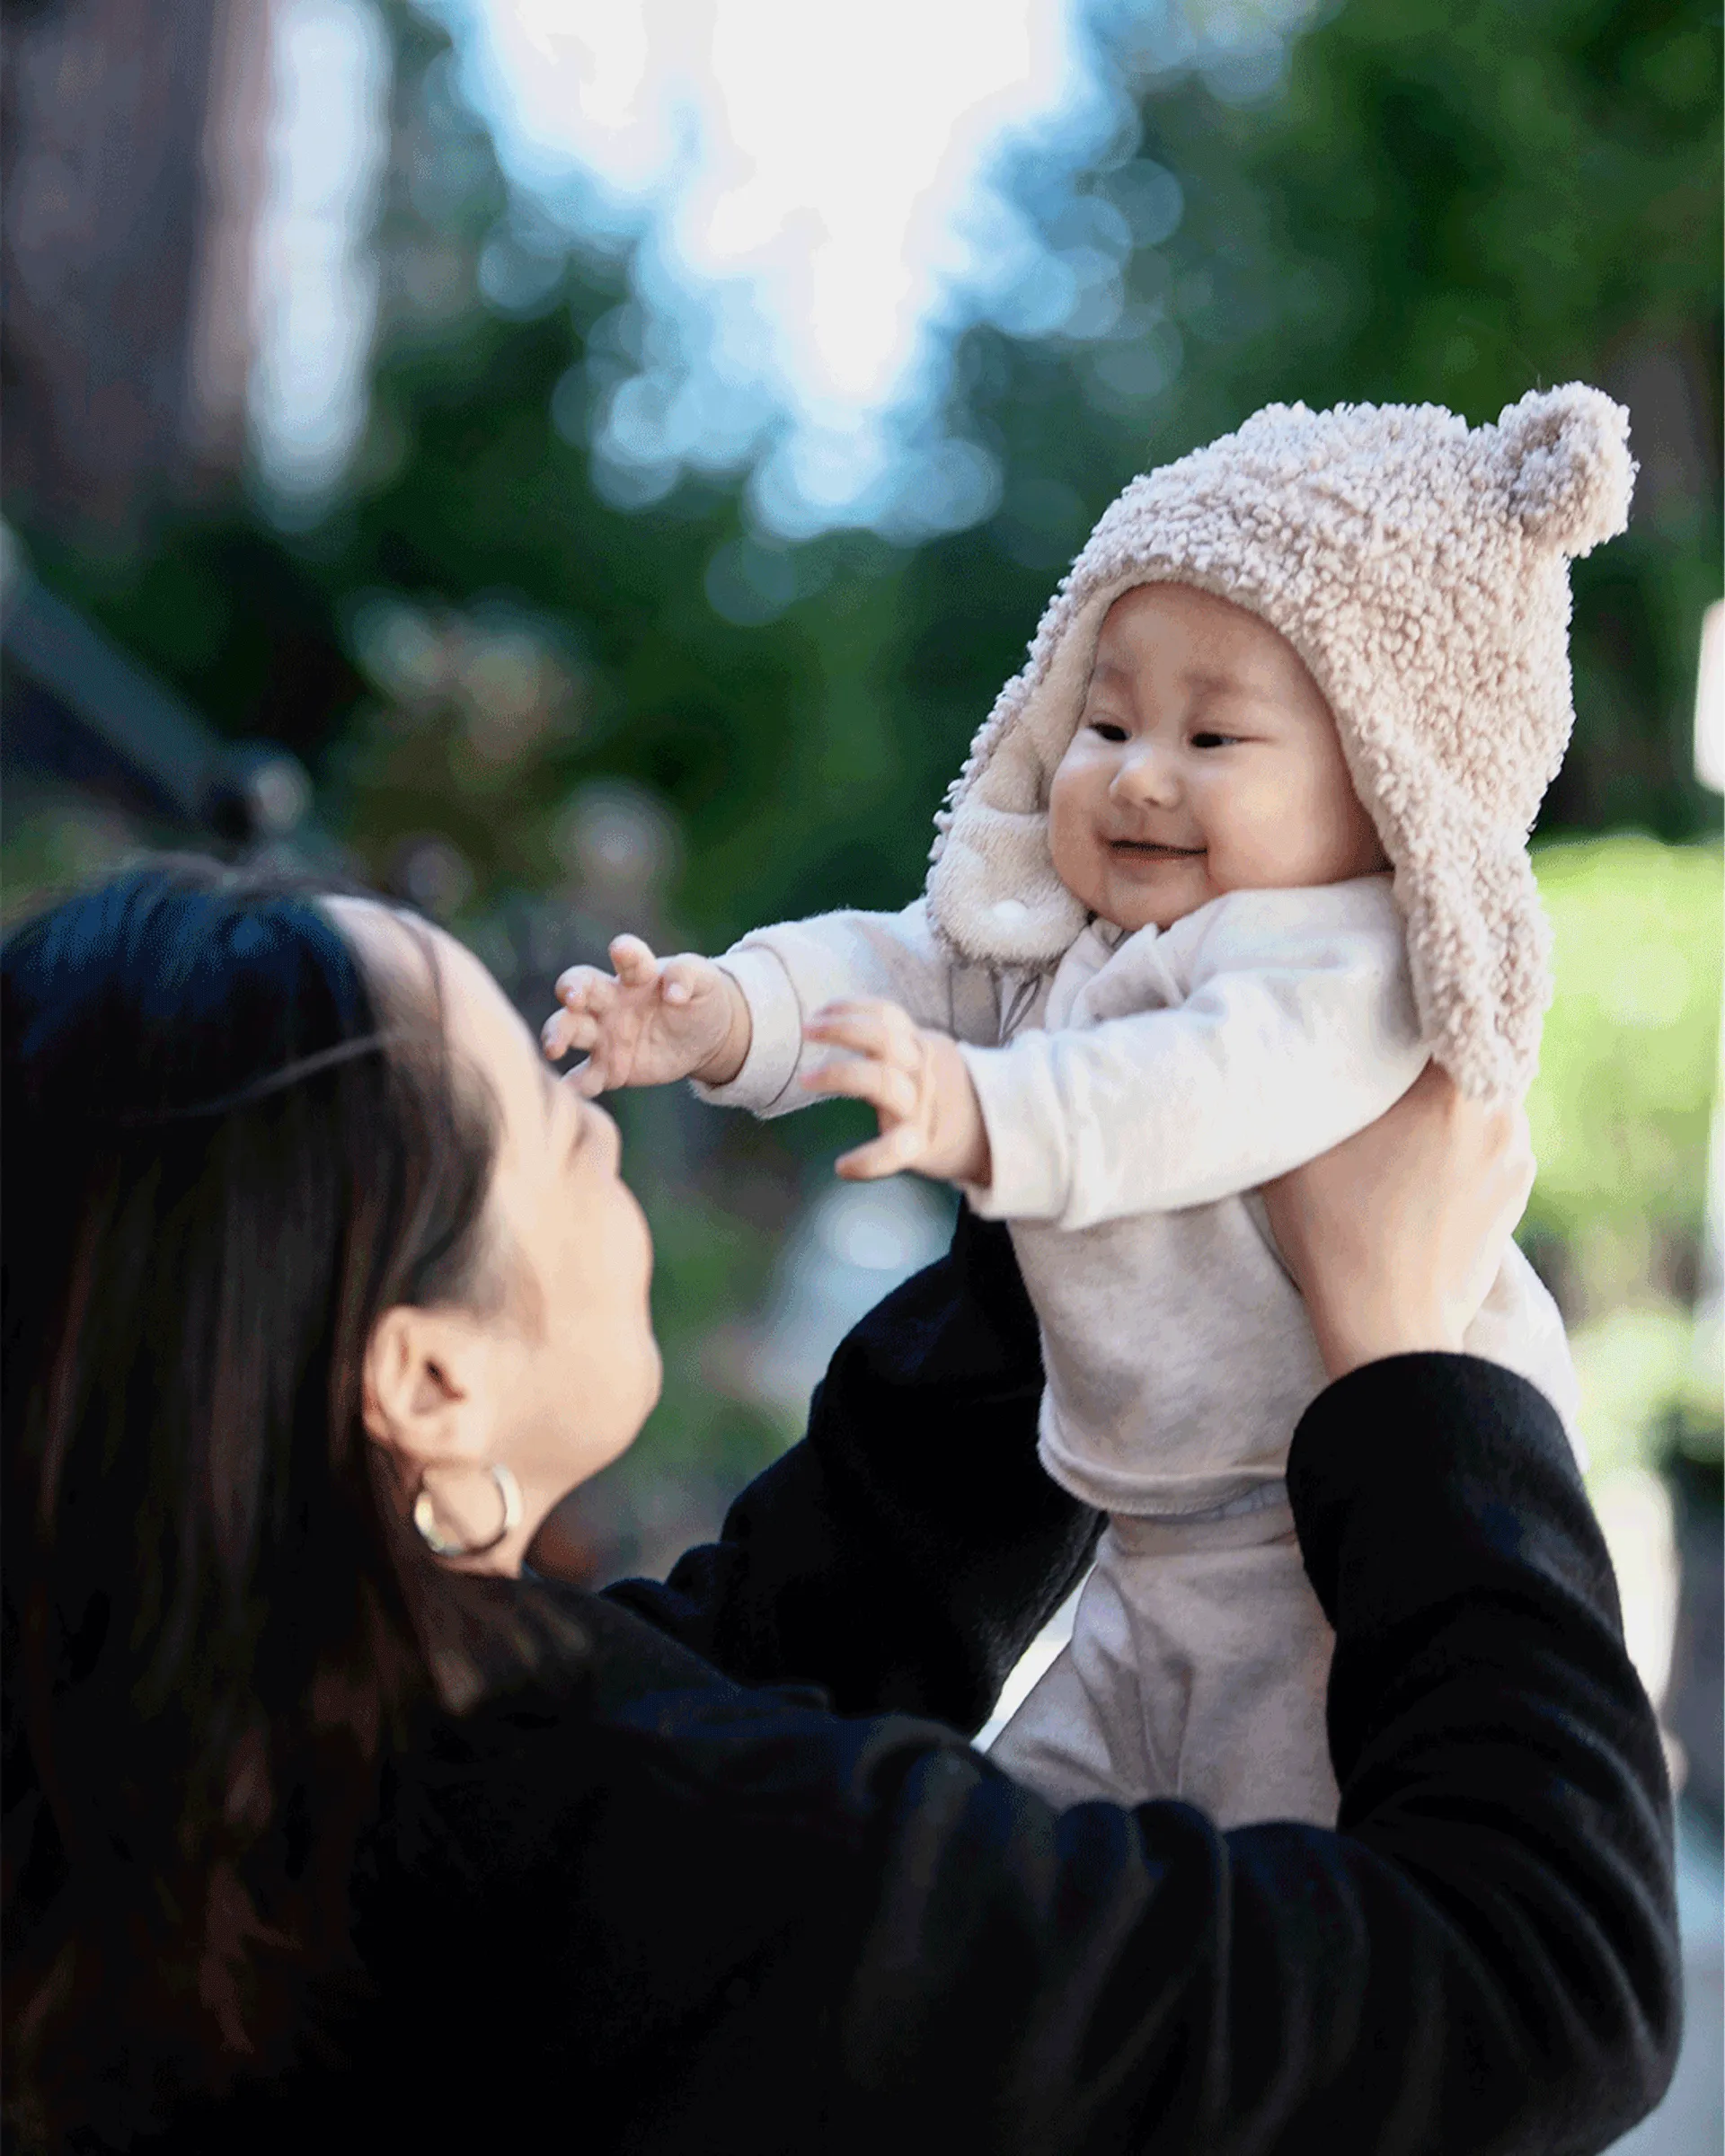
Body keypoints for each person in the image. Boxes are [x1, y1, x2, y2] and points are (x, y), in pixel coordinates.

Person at [2, 859, 1677, 2154]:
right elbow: (1537, 1984)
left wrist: (1119, 1165)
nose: (586, 1117)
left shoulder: (233, 1779)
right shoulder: (632, 1861)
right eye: (526, 1102)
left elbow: (804, 1632)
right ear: (424, 1381)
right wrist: (1406, 1354)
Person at [544, 384, 1629, 1826]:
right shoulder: (1084, 954)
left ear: (1386, 781)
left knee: (1280, 1906)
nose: (1137, 777)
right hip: (1147, 1552)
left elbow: (1200, 1090)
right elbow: (910, 965)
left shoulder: (1344, 956)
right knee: (1024, 1829)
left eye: (1214, 740)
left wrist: (991, 1114)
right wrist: (733, 1012)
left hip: (1331, 1564)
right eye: (1105, 720)